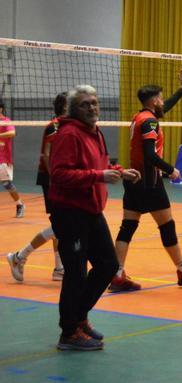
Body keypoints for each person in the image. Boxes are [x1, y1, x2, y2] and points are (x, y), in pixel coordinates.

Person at [48, 85, 140, 350]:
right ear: (74, 109)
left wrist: (119, 171)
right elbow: (60, 174)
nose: (92, 108)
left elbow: (97, 166)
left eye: (95, 103)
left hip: (91, 211)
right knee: (76, 272)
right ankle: (69, 332)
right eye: (85, 104)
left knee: (108, 265)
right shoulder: (68, 134)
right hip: (70, 212)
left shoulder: (94, 131)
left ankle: (79, 318)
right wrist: (98, 176)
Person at [110, 70, 182, 292]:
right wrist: (171, 169)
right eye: (161, 98)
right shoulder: (150, 123)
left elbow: (165, 109)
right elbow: (150, 155)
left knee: (128, 226)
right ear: (155, 100)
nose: (163, 103)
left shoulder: (140, 117)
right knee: (167, 225)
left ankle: (117, 274)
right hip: (149, 181)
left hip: (133, 178)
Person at [7, 94, 67, 282]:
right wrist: (55, 178)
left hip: (64, 179)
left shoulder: (71, 125)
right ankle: (20, 256)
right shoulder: (54, 126)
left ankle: (58, 268)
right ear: (65, 106)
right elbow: (46, 155)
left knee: (60, 224)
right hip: (51, 179)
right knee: (61, 224)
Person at [0, 101, 25, 218]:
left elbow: (12, 132)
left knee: (7, 184)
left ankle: (20, 204)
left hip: (3, 158)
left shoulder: (6, 121)